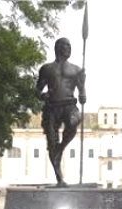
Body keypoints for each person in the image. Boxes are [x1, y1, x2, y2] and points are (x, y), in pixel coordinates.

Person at [36, 37, 86, 186]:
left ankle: (61, 147)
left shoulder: (77, 70)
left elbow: (82, 95)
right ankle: (59, 178)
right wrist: (42, 95)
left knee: (74, 122)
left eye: (69, 46)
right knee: (52, 142)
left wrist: (83, 88)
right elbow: (37, 90)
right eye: (65, 45)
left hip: (69, 105)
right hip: (52, 107)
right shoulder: (46, 68)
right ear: (57, 48)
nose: (68, 48)